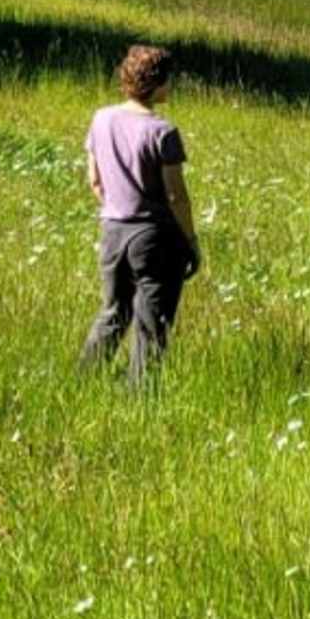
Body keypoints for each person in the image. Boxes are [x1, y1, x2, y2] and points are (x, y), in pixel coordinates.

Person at [81, 43, 199, 382]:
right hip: (155, 238)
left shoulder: (101, 119)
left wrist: (116, 205)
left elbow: (94, 179)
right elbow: (176, 195)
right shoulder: (163, 132)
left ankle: (83, 381)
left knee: (113, 313)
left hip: (113, 231)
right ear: (158, 83)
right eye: (169, 80)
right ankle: (140, 395)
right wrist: (190, 240)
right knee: (151, 324)